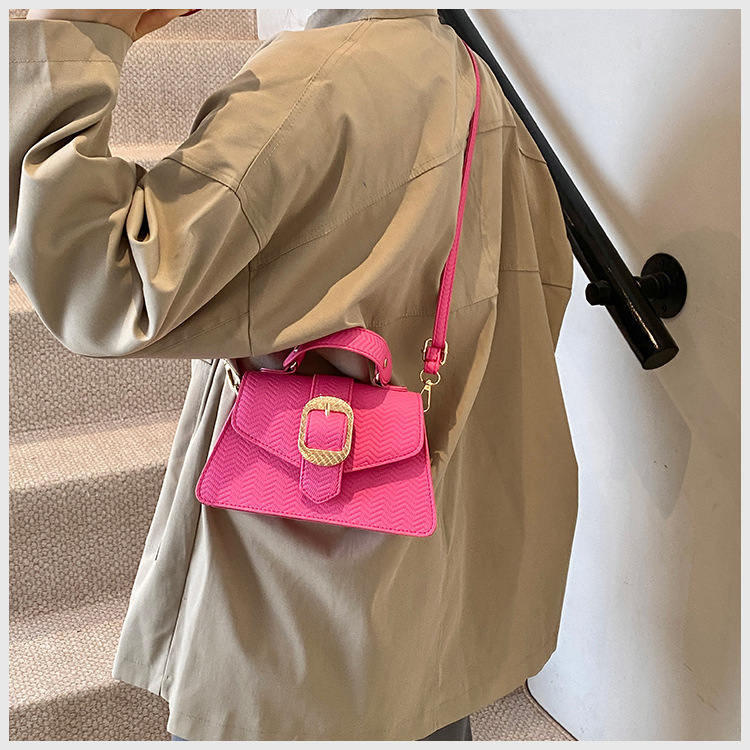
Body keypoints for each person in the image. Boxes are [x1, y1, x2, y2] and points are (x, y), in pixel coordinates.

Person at [9, 8, 578, 742]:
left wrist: (75, 28)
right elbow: (537, 305)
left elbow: (102, 282)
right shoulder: (482, 92)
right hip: (421, 594)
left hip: (302, 616)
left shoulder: (315, 85)